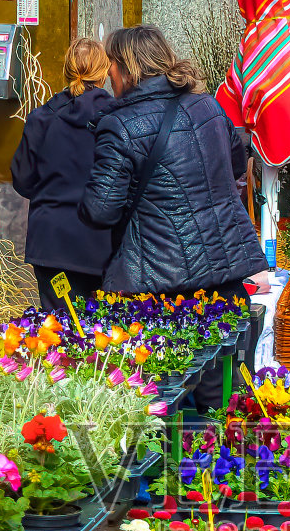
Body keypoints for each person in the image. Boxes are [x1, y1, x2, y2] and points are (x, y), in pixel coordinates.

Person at [81, 26, 264, 409]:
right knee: (223, 399)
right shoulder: (208, 105)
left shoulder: (121, 124)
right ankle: (222, 466)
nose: (108, 75)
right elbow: (235, 165)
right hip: (223, 271)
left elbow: (100, 210)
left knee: (161, 401)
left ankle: (177, 467)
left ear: (127, 68)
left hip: (160, 284)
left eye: (111, 65)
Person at [11, 38, 117, 310]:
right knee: (105, 338)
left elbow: (22, 180)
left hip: (51, 243)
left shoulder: (40, 118)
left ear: (66, 71)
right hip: (102, 244)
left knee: (57, 335)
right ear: (104, 73)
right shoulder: (117, 119)